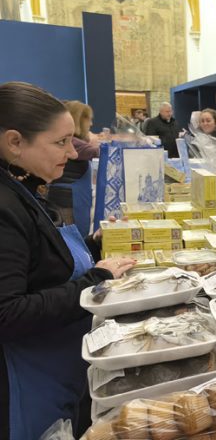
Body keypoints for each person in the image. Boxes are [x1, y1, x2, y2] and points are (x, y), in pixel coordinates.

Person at [0, 82, 136, 439]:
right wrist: (92, 282)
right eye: (60, 143)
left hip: (60, 369)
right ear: (14, 142)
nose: (73, 154)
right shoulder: (4, 207)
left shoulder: (25, 185)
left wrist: (93, 246)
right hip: (27, 384)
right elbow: (7, 313)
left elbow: (41, 265)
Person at [48, 101, 100, 238]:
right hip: (68, 199)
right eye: (89, 120)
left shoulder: (75, 141)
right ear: (79, 120)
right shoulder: (73, 143)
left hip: (70, 196)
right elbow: (96, 152)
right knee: (72, 238)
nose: (91, 124)